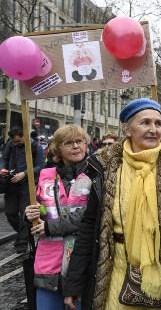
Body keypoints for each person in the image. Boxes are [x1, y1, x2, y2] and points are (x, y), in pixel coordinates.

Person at [63, 98, 161, 310]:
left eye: (158, 123)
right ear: (127, 129)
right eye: (145, 123)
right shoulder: (106, 166)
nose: (154, 129)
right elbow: (89, 226)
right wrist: (74, 283)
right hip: (116, 269)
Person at [25, 125, 90, 310]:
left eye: (79, 141)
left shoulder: (96, 174)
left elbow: (87, 215)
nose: (76, 146)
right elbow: (41, 209)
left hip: (81, 263)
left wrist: (49, 227)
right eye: (68, 143)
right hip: (48, 264)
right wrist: (31, 213)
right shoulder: (46, 176)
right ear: (58, 149)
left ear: (86, 145)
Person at [0, 127, 45, 252]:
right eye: (13, 141)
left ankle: (22, 242)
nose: (15, 144)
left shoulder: (36, 147)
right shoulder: (11, 144)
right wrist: (2, 168)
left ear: (24, 137)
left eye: (18, 141)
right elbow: (4, 158)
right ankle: (23, 235)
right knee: (10, 213)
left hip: (27, 185)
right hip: (11, 184)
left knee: (25, 213)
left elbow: (40, 166)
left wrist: (24, 173)